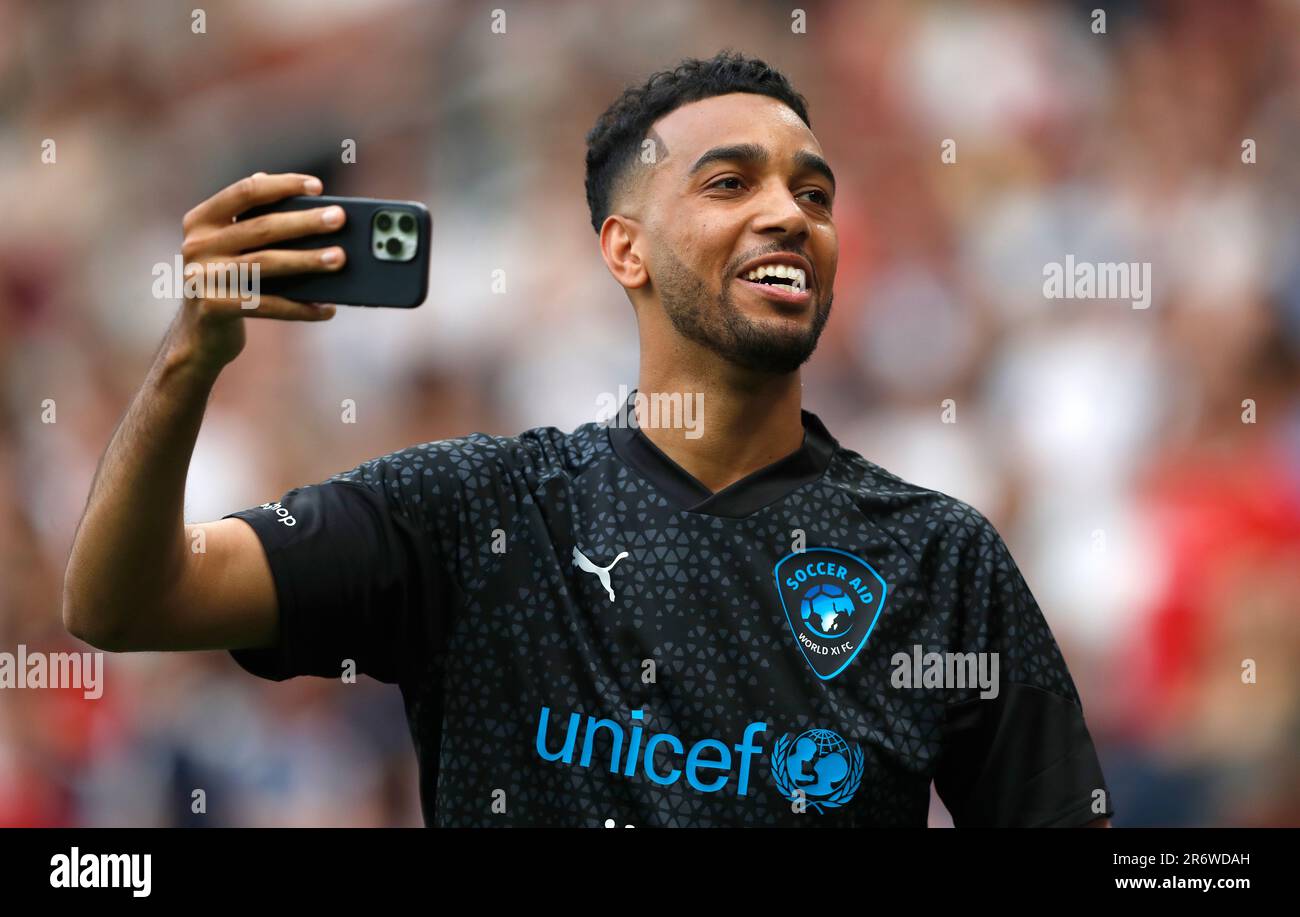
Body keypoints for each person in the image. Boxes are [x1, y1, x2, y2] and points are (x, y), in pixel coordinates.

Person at [63, 51, 1112, 827]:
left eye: (814, 190)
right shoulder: (473, 512)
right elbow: (122, 600)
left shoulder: (937, 556)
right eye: (729, 182)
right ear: (625, 249)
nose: (790, 212)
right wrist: (185, 360)